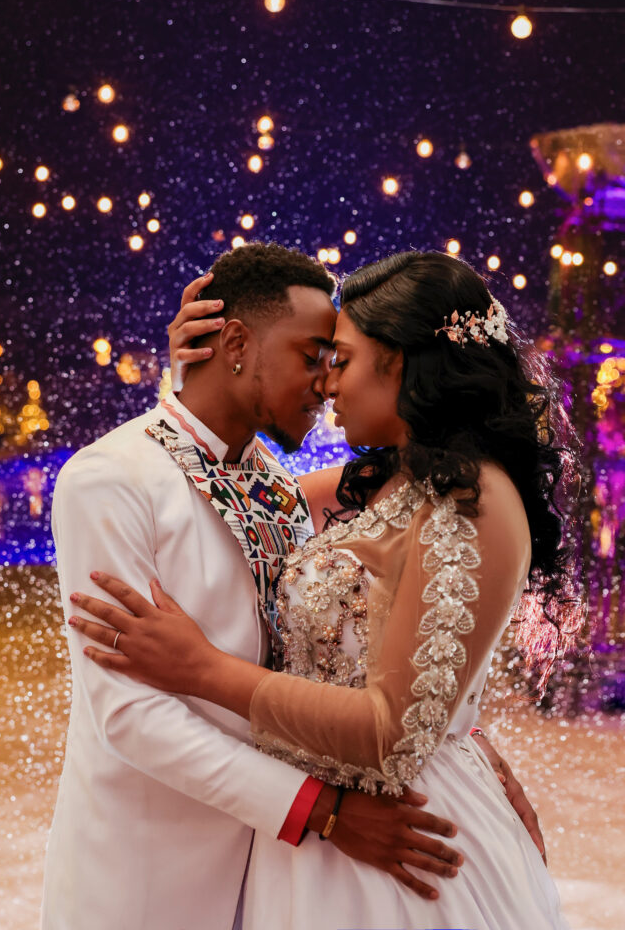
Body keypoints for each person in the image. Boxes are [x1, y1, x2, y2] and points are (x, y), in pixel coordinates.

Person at [71, 250, 579, 930]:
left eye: (337, 358)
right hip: (211, 856)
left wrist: (455, 731)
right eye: (315, 355)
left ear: (398, 362)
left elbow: (397, 714)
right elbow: (188, 468)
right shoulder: (343, 485)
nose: (325, 383)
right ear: (237, 343)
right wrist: (197, 381)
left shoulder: (466, 496)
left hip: (391, 837)